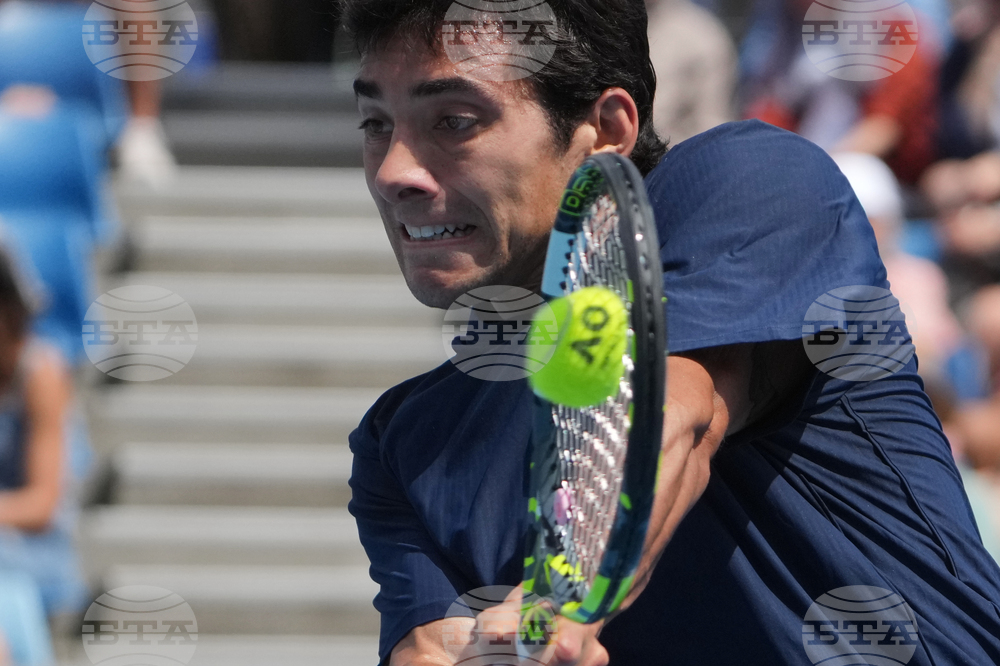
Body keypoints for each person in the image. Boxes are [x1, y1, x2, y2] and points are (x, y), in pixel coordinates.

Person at [342, 1, 1000, 664]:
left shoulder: (754, 182)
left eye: (454, 122)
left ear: (605, 129)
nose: (395, 170)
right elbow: (426, 651)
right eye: (375, 123)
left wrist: (563, 596)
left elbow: (681, 409)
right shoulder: (402, 444)